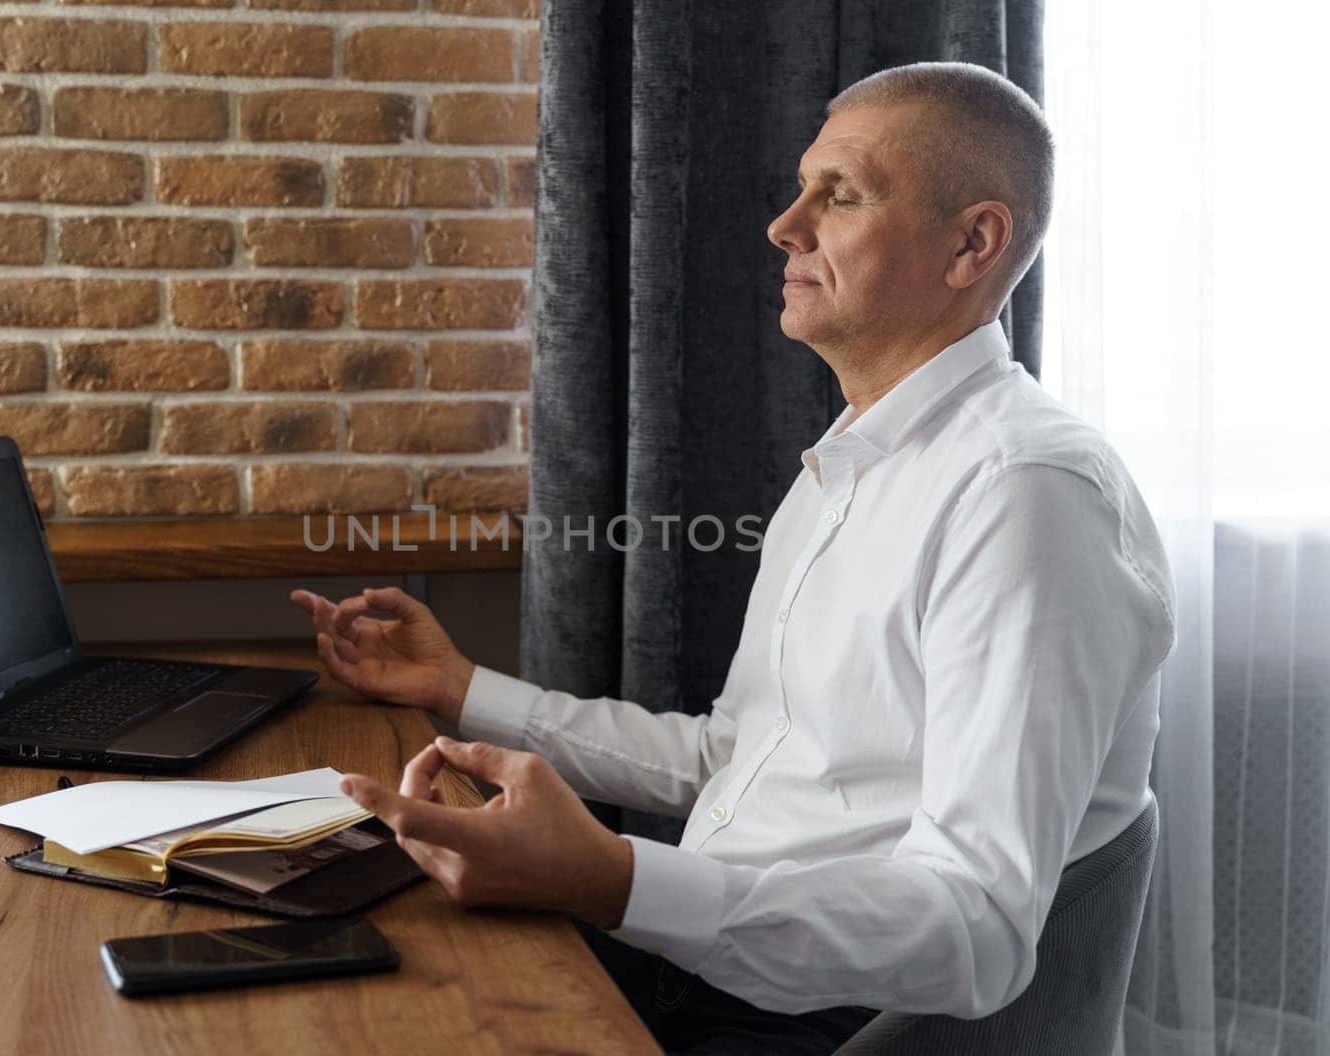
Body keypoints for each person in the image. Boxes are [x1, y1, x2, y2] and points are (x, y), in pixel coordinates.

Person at [291, 60, 1173, 1055]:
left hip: (823, 1021)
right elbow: (737, 756)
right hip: (699, 963)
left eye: (838, 195)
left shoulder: (1025, 497)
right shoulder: (853, 458)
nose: (784, 226)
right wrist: (459, 687)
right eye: (800, 188)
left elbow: (974, 932)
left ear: (972, 243)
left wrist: (615, 880)